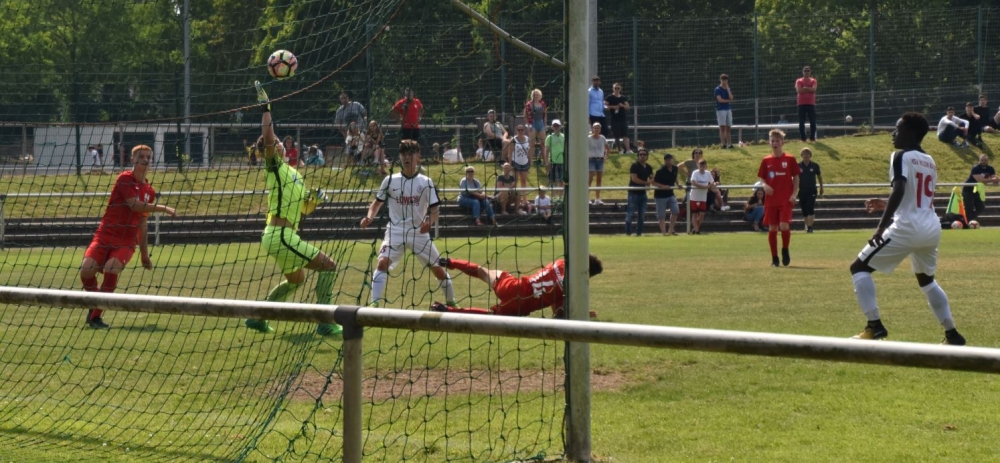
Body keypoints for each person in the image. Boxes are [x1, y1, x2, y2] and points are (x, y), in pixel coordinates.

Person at [849, 112, 966, 346]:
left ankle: (875, 325)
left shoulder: (900, 156)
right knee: (927, 281)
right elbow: (917, 197)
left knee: (858, 268)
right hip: (931, 228)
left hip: (908, 227)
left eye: (898, 129)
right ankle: (952, 334)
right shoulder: (929, 160)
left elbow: (900, 189)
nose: (893, 134)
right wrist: (886, 204)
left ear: (910, 133)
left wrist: (881, 227)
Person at [245, 82, 341, 336]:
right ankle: (325, 321)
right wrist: (266, 108)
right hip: (281, 236)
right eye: (275, 141)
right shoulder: (274, 166)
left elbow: (304, 210)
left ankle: (257, 319)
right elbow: (267, 137)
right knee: (329, 266)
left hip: (283, 235)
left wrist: (315, 200)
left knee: (296, 280)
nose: (278, 143)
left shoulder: (294, 173)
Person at [80, 144, 178, 329]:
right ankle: (96, 303)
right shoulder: (124, 178)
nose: (146, 159)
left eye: (148, 157)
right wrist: (164, 208)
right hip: (105, 234)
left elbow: (142, 223)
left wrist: (144, 254)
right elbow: (134, 205)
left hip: (126, 241)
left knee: (111, 268)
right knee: (86, 271)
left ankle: (95, 317)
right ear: (132, 159)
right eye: (141, 156)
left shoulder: (149, 191)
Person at [359, 139, 456, 307]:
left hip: (419, 233)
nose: (406, 157)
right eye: (403, 154)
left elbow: (435, 209)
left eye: (410, 154)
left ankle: (452, 303)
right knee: (382, 263)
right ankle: (374, 304)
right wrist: (369, 217)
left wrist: (430, 222)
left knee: (438, 269)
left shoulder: (426, 182)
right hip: (395, 231)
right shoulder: (390, 180)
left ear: (418, 157)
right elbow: (376, 204)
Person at [432, 254, 603, 318]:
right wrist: (581, 314)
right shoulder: (572, 288)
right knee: (489, 317)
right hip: (521, 306)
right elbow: (558, 313)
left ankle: (451, 262)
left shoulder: (561, 262)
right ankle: (446, 310)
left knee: (484, 272)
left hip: (514, 287)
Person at [757, 129, 801, 267]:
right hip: (771, 200)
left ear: (783, 142)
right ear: (769, 143)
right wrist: (765, 186)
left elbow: (796, 178)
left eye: (777, 141)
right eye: (772, 141)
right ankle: (774, 258)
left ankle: (785, 250)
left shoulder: (790, 159)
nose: (775, 143)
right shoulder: (766, 160)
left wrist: (794, 194)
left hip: (785, 199)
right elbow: (762, 179)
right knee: (772, 228)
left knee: (784, 225)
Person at [962, 154, 999, 222]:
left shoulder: (990, 168)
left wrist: (996, 179)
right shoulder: (975, 168)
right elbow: (980, 180)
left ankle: (969, 220)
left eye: (985, 160)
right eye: (982, 160)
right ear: (979, 160)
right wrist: (992, 180)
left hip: (977, 190)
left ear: (988, 160)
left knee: (981, 207)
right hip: (968, 190)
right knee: (969, 208)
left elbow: (993, 177)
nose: (984, 161)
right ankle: (968, 221)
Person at [625, 148, 653, 236]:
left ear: (647, 156)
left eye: (644, 154)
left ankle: (639, 233)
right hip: (633, 193)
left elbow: (652, 177)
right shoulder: (634, 166)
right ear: (638, 156)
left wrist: (650, 182)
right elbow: (634, 179)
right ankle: (628, 232)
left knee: (642, 215)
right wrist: (645, 183)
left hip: (643, 194)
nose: (642, 156)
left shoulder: (649, 167)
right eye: (640, 154)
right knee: (630, 213)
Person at [652, 153, 681, 236]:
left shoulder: (675, 168)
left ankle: (670, 231)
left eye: (669, 160)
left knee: (675, 211)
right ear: (664, 161)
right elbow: (653, 183)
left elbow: (675, 177)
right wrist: (663, 186)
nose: (668, 161)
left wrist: (678, 184)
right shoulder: (660, 171)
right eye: (666, 160)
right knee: (661, 215)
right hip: (660, 196)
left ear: (672, 160)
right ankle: (664, 233)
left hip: (670, 194)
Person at [797, 147, 824, 233]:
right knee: (804, 209)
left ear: (810, 155)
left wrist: (821, 187)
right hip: (802, 190)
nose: (806, 156)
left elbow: (819, 177)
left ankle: (810, 226)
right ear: (801, 155)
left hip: (812, 190)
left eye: (807, 154)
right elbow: (795, 178)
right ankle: (807, 225)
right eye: (804, 154)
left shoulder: (815, 165)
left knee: (810, 207)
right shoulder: (798, 166)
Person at [605, 82, 633, 154]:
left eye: (618, 88)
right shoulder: (609, 97)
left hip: (623, 119)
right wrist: (613, 107)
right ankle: (619, 150)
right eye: (615, 88)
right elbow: (604, 106)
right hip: (614, 119)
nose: (617, 89)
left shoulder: (623, 98)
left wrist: (622, 106)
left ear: (620, 89)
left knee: (625, 135)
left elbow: (628, 107)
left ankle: (628, 150)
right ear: (613, 88)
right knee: (616, 136)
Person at [688, 158, 714, 234]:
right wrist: (704, 187)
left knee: (702, 214)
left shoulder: (708, 173)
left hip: (703, 197)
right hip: (694, 196)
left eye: (703, 166)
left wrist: (709, 186)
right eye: (700, 166)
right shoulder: (695, 173)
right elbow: (693, 182)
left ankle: (695, 228)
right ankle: (697, 230)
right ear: (698, 166)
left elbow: (712, 182)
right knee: (694, 213)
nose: (702, 167)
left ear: (706, 166)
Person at [587, 122, 610, 205]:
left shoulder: (602, 138)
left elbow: (607, 147)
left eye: (598, 128)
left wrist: (606, 156)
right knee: (590, 178)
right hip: (591, 160)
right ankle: (587, 198)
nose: (596, 129)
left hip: (600, 160)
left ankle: (597, 198)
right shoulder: (588, 138)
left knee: (599, 179)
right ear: (592, 129)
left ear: (600, 130)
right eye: (595, 128)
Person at [544, 119, 565, 201]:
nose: (556, 127)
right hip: (553, 161)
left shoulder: (564, 136)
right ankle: (553, 197)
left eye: (557, 125)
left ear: (560, 126)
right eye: (554, 125)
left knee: (561, 181)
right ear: (552, 127)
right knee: (553, 181)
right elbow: (546, 150)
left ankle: (560, 197)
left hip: (563, 161)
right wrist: (546, 162)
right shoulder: (549, 137)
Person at [795, 66, 818, 142]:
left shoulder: (813, 80)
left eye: (808, 71)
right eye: (805, 71)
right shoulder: (799, 81)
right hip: (801, 104)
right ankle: (803, 138)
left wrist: (804, 88)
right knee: (801, 122)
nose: (806, 72)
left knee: (813, 122)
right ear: (803, 72)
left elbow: (814, 89)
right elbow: (799, 91)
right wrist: (809, 89)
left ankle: (812, 137)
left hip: (811, 104)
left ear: (810, 72)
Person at [510, 124, 532, 204]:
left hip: (525, 162)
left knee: (524, 181)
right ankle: (514, 198)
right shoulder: (513, 139)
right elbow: (509, 152)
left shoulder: (528, 139)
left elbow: (529, 151)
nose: (520, 131)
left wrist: (530, 160)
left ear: (524, 130)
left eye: (522, 130)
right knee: (515, 181)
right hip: (515, 161)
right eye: (519, 130)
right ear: (516, 131)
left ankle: (525, 199)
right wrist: (510, 163)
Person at [524, 88, 547, 162]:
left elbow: (544, 115)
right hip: (532, 123)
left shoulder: (542, 104)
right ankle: (529, 162)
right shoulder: (529, 104)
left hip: (541, 123)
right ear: (532, 96)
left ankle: (545, 161)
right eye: (534, 95)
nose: (536, 96)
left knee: (543, 143)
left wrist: (545, 125)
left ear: (540, 96)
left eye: (537, 95)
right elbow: (526, 116)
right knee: (532, 144)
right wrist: (528, 125)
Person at [714, 74, 734, 149]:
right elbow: (720, 100)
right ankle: (723, 144)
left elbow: (731, 98)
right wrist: (728, 101)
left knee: (728, 128)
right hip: (721, 110)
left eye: (726, 80)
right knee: (722, 127)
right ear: (720, 80)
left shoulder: (727, 88)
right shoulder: (717, 89)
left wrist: (728, 89)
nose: (724, 82)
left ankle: (730, 144)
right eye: (723, 80)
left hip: (728, 109)